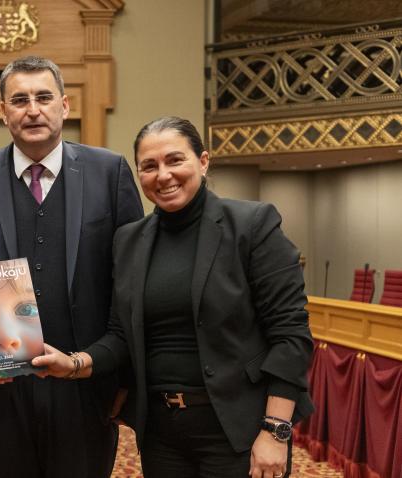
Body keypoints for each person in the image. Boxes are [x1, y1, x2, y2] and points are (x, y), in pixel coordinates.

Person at [33, 116, 314, 478]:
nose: (162, 175)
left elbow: (290, 336)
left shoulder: (252, 225)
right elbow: (121, 336)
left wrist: (276, 430)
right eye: (149, 166)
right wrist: (73, 364)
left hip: (237, 429)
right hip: (162, 434)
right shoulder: (129, 241)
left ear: (203, 161)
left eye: (174, 160)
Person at [0, 56, 143, 478]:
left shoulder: (110, 172)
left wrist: (119, 373)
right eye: (20, 99)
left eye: (44, 97)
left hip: (85, 384)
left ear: (65, 106)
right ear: (3, 112)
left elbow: (132, 280)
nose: (32, 109)